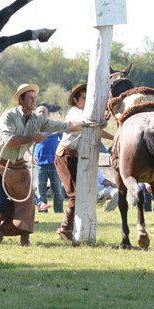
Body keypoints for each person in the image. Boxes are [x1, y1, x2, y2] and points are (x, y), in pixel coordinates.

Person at [0, 83, 81, 247]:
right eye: (30, 98)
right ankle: (1, 227)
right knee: (0, 204)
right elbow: (8, 140)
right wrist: (32, 137)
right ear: (21, 100)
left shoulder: (37, 120)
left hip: (18, 163)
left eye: (35, 98)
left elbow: (59, 125)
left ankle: (25, 236)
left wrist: (83, 124)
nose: (34, 101)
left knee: (28, 202)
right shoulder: (8, 116)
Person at [54, 83, 114, 241]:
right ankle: (66, 228)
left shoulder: (86, 115)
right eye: (84, 98)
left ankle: (70, 228)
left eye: (89, 99)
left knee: (79, 193)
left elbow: (95, 128)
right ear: (75, 100)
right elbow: (88, 124)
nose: (87, 102)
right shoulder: (75, 113)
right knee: (76, 193)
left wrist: (114, 137)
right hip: (66, 155)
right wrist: (101, 119)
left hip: (75, 156)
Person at [32, 105, 64, 213]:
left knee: (58, 190)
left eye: (44, 111)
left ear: (48, 114)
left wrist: (60, 154)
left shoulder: (54, 126)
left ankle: (59, 211)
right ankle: (43, 211)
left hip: (55, 163)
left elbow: (64, 140)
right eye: (39, 112)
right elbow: (26, 145)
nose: (42, 113)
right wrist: (30, 156)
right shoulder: (33, 128)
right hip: (40, 164)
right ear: (36, 114)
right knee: (40, 190)